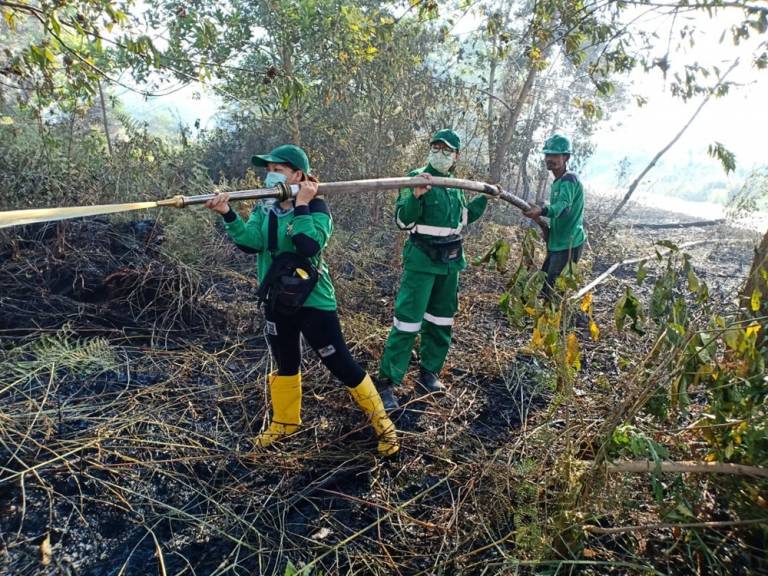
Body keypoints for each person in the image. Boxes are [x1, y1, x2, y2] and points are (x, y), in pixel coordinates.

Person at [205, 144, 398, 456]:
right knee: (286, 362)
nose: (270, 176)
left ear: (297, 175)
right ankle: (285, 422)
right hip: (276, 299)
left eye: (277, 170)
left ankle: (383, 425)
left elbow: (308, 245)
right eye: (267, 170)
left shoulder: (318, 209)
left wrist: (303, 204)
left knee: (340, 364)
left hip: (313, 301)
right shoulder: (263, 208)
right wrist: (227, 214)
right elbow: (251, 243)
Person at [376, 129, 489, 412]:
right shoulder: (416, 176)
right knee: (407, 322)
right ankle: (388, 382)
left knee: (441, 320)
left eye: (446, 150)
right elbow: (403, 221)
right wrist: (416, 194)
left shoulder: (457, 184)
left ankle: (429, 373)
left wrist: (485, 197)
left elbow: (462, 219)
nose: (440, 153)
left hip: (450, 262)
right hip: (421, 262)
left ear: (456, 156)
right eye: (436, 148)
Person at [523, 134, 586, 299]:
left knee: (553, 291)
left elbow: (562, 207)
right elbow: (560, 216)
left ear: (566, 157)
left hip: (569, 244)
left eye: (555, 155)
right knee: (545, 282)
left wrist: (541, 211)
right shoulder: (558, 182)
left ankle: (552, 321)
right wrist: (541, 222)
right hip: (557, 242)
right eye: (547, 155)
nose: (549, 159)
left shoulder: (569, 180)